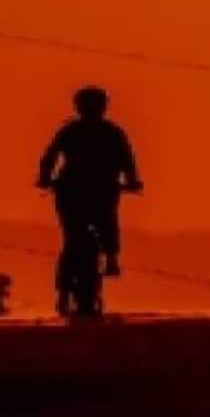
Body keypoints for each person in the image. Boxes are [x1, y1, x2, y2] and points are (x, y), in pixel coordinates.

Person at [37, 86, 142, 300]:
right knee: (105, 224)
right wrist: (132, 182)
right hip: (98, 189)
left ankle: (66, 288)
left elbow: (49, 158)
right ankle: (111, 260)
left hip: (73, 190)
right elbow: (127, 161)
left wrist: (44, 179)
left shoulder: (70, 131)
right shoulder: (112, 132)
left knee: (75, 235)